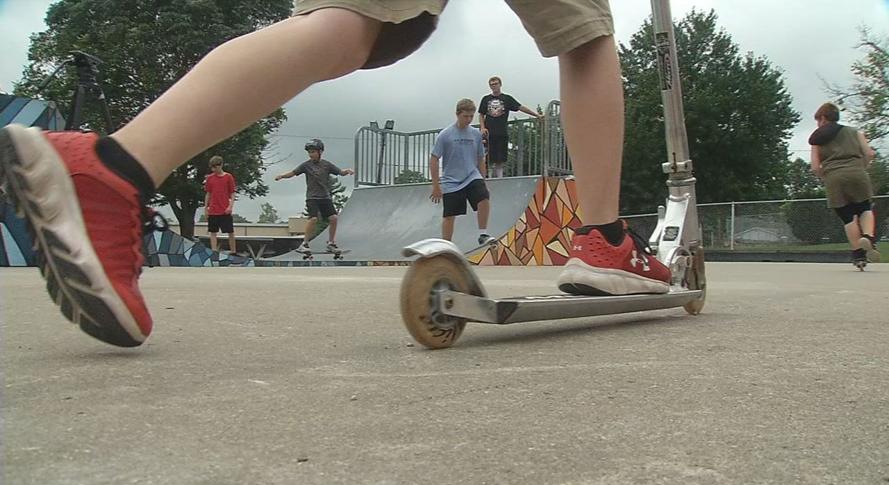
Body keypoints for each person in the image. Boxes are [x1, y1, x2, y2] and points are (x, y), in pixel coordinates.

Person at [0, 0, 670, 348]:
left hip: (462, 173)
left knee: (354, 27)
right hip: (454, 178)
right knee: (583, 34)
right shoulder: (450, 132)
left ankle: (115, 166)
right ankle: (603, 238)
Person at [809, 102, 880, 265]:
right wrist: (863, 166)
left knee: (847, 217)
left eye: (818, 120)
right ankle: (868, 237)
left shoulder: (816, 140)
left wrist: (826, 176)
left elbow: (815, 167)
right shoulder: (855, 132)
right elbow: (869, 153)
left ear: (823, 118)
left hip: (833, 177)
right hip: (857, 172)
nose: (818, 124)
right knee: (865, 208)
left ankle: (858, 255)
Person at [430, 98, 496, 246]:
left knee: (484, 197)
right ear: (457, 114)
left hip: (472, 176)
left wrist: (483, 180)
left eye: (471, 116)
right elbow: (434, 159)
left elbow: (480, 158)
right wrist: (436, 186)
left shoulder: (475, 134)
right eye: (465, 116)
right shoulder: (445, 135)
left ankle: (483, 234)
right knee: (449, 216)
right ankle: (446, 246)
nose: (468, 120)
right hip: (451, 180)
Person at [274, 139, 353, 253]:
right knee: (313, 219)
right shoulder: (306, 165)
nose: (311, 155)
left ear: (320, 152)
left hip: (325, 197)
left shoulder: (326, 165)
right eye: (309, 152)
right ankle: (304, 244)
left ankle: (331, 243)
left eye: (313, 152)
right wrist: (282, 176)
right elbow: (292, 173)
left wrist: (348, 171)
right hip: (312, 197)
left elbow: (340, 172)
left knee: (334, 218)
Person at [478, 76, 542, 178]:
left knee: (500, 158)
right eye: (492, 84)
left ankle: (499, 178)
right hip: (488, 133)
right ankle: (487, 178)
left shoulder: (506, 98)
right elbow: (481, 114)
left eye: (496, 84)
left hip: (501, 132)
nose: (494, 86)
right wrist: (482, 127)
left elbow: (520, 107)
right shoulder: (486, 99)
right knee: (488, 157)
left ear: (500, 84)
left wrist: (536, 115)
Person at [203, 155, 237, 254]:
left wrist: (230, 206)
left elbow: (232, 192)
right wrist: (206, 208)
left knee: (230, 231)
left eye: (216, 167)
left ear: (221, 165)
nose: (214, 169)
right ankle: (214, 251)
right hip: (213, 209)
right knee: (213, 231)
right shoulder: (210, 178)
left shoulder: (228, 177)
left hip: (224, 209)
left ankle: (233, 251)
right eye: (212, 167)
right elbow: (208, 193)